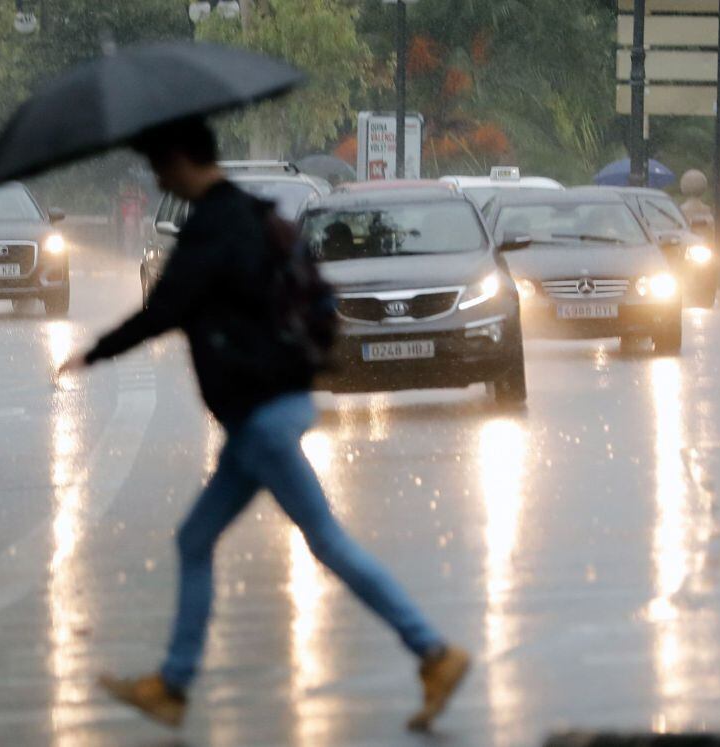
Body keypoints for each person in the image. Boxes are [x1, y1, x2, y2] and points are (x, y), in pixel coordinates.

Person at [57, 117, 469, 732]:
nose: (158, 176)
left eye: (160, 165)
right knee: (198, 539)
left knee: (325, 540)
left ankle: (433, 651)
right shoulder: (255, 214)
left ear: (179, 162)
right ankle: (172, 684)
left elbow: (165, 308)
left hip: (261, 416)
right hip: (277, 401)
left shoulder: (213, 230)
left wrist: (93, 352)